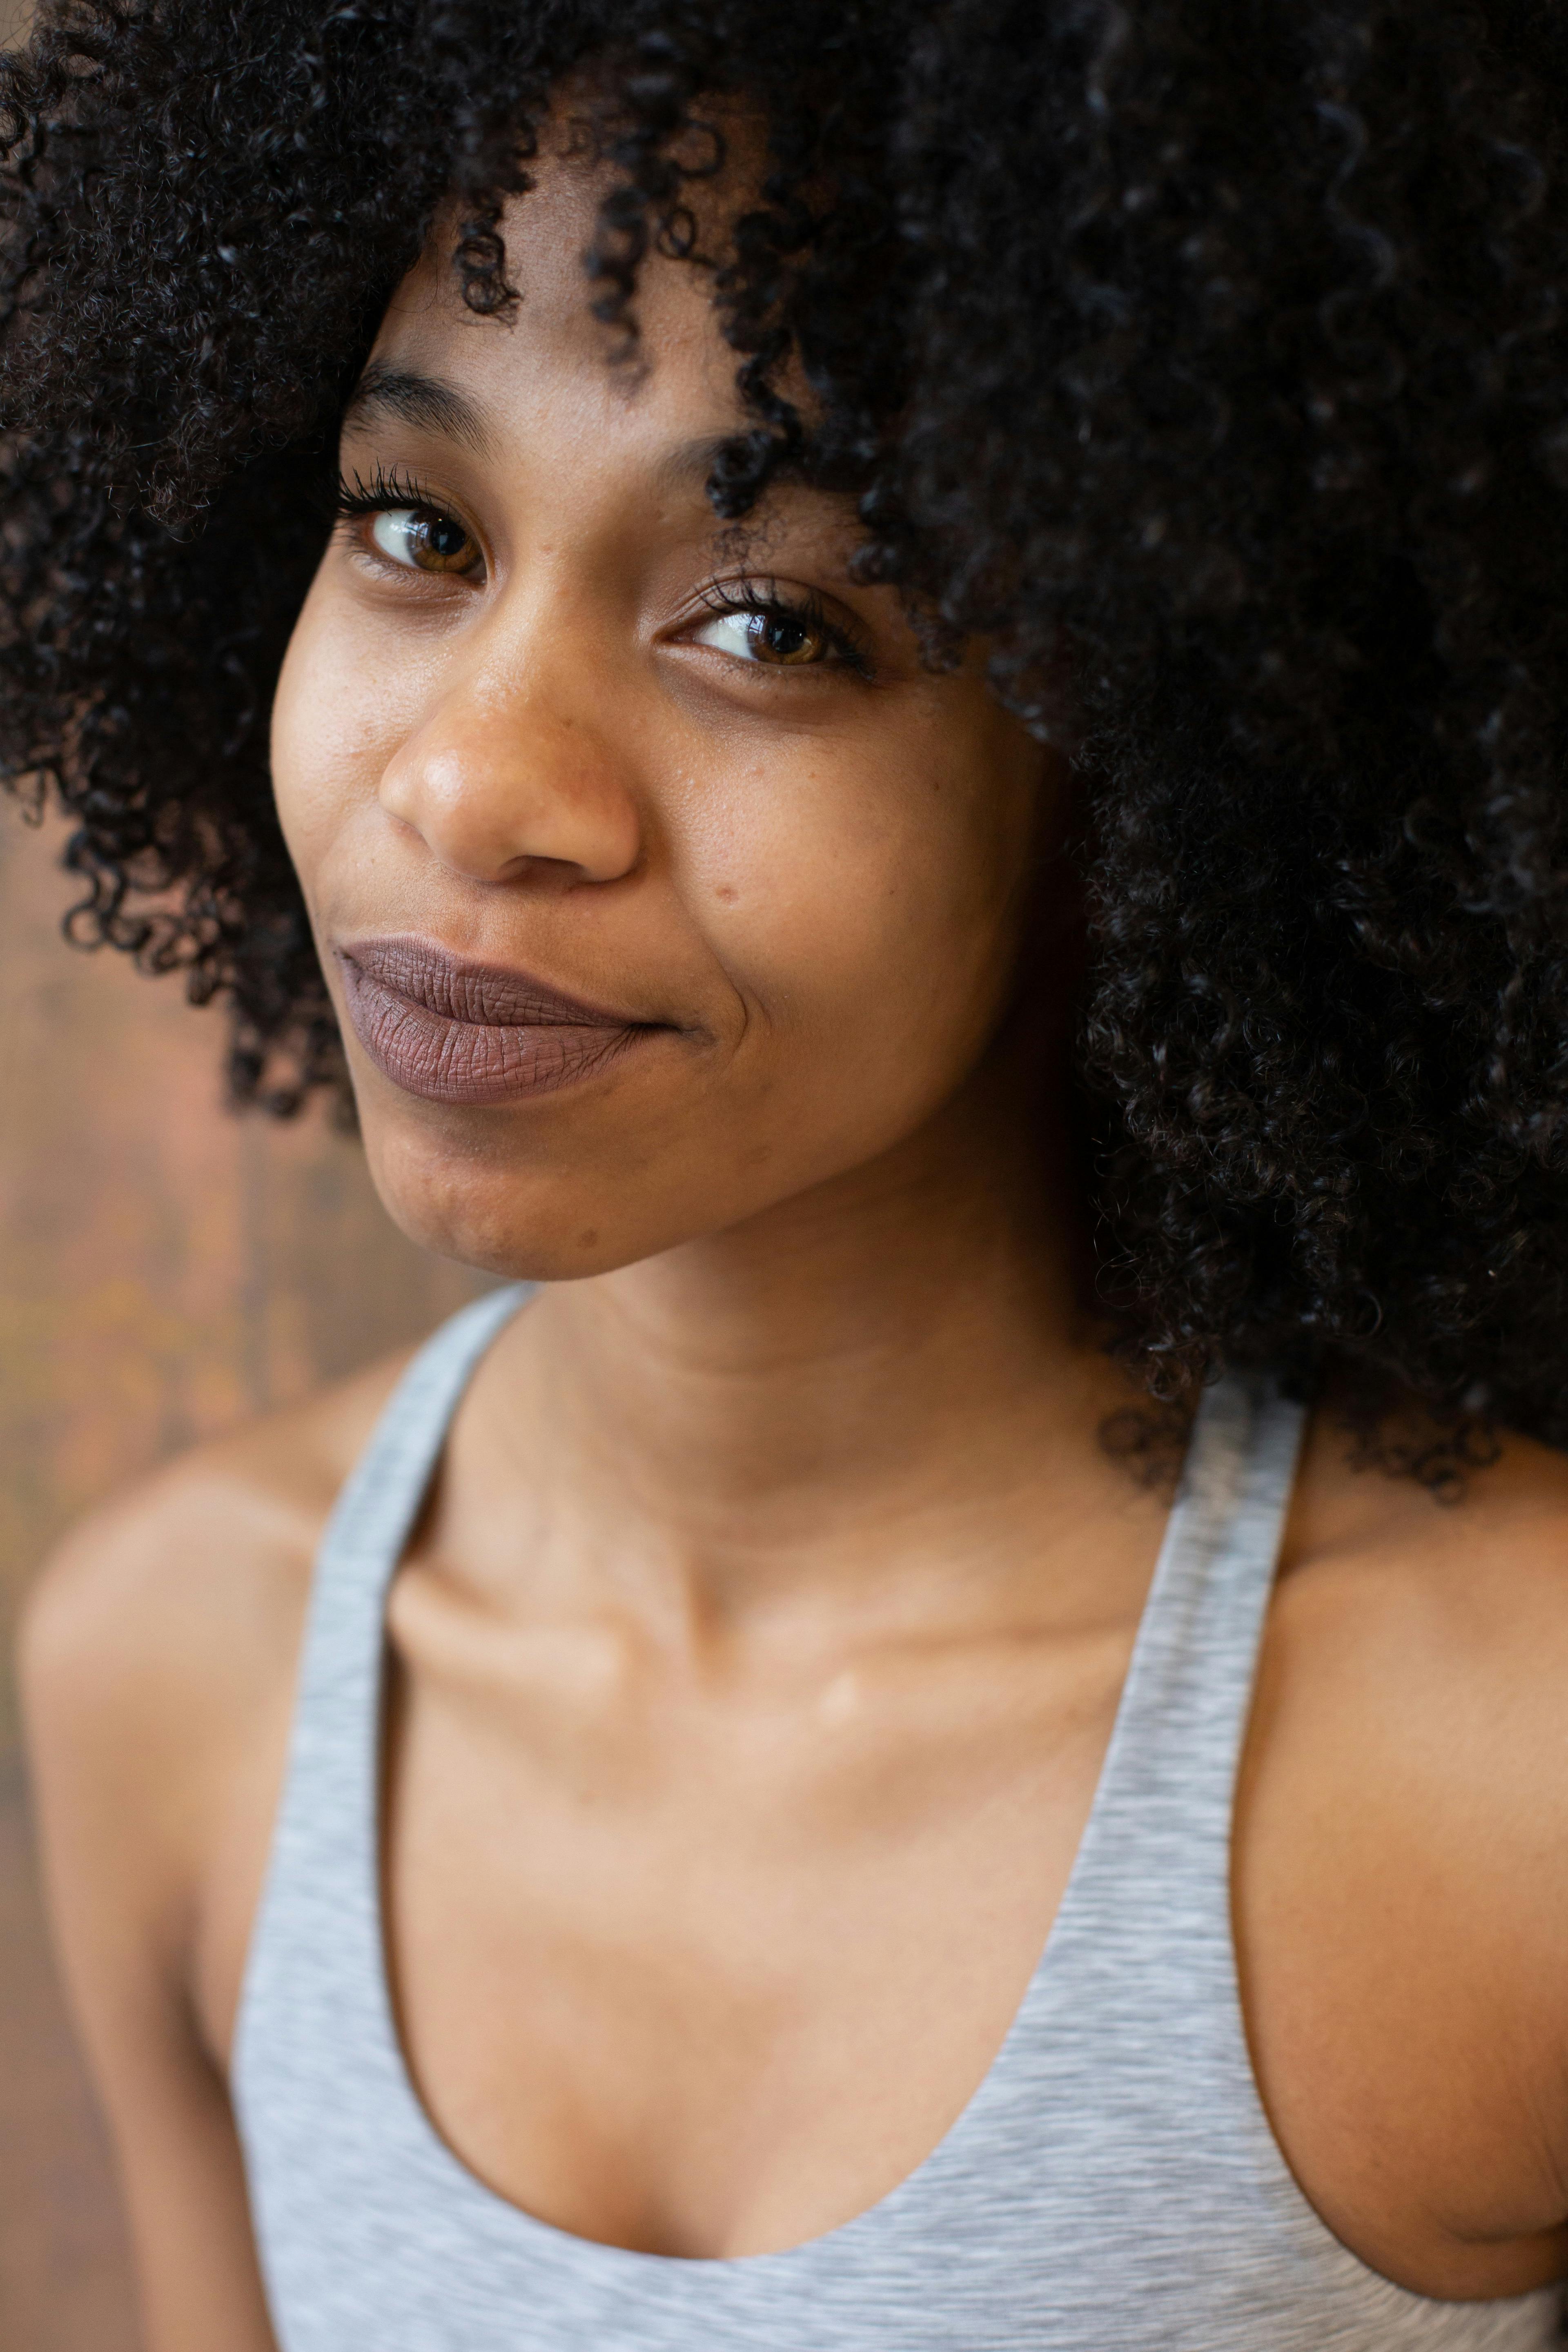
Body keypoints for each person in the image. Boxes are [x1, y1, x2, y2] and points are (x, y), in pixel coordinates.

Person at [5, 1, 1568, 2345]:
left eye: (773, 622)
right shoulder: (174, 1670)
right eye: (416, 528)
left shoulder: (1504, 1768)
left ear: (1161, 755)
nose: (470, 785)